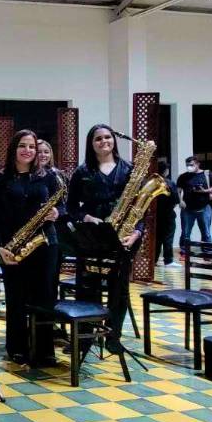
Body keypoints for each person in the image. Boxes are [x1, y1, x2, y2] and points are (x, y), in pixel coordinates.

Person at [66, 124, 143, 353]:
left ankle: (113, 336)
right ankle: (85, 337)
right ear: (91, 144)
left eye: (107, 137)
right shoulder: (82, 172)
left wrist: (136, 232)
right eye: (98, 139)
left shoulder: (129, 169)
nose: (104, 142)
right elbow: (71, 207)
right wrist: (86, 217)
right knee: (87, 287)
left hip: (123, 236)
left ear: (113, 140)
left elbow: (140, 207)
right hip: (92, 235)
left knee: (119, 290)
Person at [0, 131, 62, 366]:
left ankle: (44, 349)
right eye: (22, 145)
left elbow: (64, 207)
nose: (28, 150)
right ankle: (17, 347)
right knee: (16, 297)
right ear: (13, 149)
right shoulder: (0, 179)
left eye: (32, 146)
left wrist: (57, 213)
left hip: (45, 244)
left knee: (45, 296)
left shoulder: (47, 177)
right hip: (13, 246)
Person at [176, 156, 212, 253]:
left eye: (191, 165)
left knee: (206, 232)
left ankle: (208, 252)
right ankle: (184, 252)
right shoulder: (183, 176)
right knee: (185, 232)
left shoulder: (207, 174)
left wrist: (205, 191)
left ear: (197, 164)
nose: (189, 167)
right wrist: (180, 201)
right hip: (187, 209)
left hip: (204, 207)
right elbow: (178, 190)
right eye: (187, 165)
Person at [155, 160, 178, 265]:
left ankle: (154, 260)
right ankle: (168, 260)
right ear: (165, 171)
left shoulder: (152, 182)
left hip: (156, 216)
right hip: (168, 215)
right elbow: (175, 199)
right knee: (168, 237)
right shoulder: (169, 183)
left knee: (157, 239)